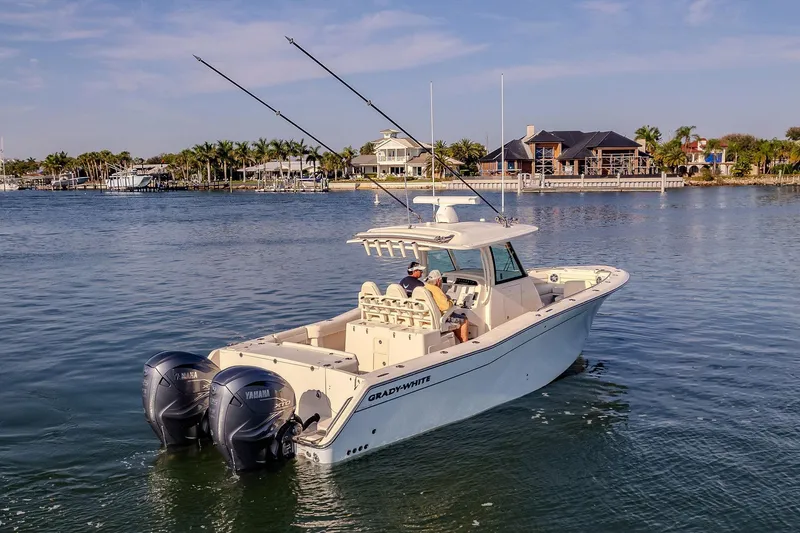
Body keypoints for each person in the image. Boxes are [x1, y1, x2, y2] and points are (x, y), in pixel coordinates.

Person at [424, 269, 470, 343]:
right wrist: (451, 302)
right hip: (439, 319)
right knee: (464, 320)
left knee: (455, 317)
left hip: (427, 317)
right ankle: (464, 342)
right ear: (438, 281)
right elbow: (446, 307)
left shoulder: (425, 287)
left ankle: (458, 341)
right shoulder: (436, 290)